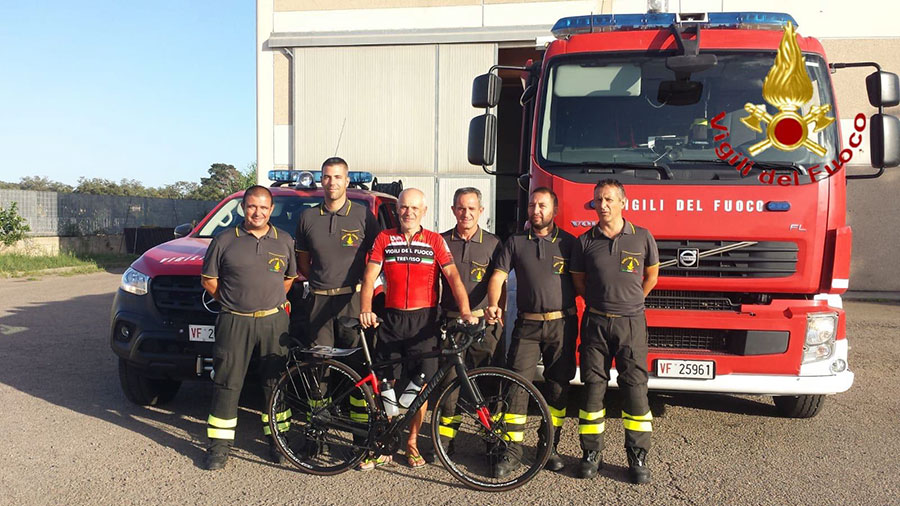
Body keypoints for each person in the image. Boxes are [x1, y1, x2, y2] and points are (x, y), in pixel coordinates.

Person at [359, 188, 477, 469]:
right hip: (391, 319)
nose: (408, 212)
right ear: (397, 210)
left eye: (414, 208)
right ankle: (387, 441)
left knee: (420, 385)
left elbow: (453, 277)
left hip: (424, 322)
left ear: (424, 211)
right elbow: (369, 276)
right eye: (403, 207)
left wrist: (466, 311)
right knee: (387, 384)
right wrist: (365, 308)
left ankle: (411, 441)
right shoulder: (384, 238)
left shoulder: (434, 241)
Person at [200, 185, 298, 471]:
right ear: (243, 207)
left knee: (275, 384)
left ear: (271, 209)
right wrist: (233, 302)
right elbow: (209, 281)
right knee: (227, 383)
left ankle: (279, 443)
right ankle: (218, 448)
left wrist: (268, 301)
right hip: (234, 320)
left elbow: (289, 279)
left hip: (273, 321)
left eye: (264, 207)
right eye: (252, 206)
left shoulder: (284, 240)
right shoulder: (224, 240)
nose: (258, 212)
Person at [486, 187, 579, 478]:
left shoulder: (570, 243)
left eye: (542, 205)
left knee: (558, 387)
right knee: (515, 385)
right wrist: (493, 304)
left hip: (562, 324)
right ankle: (512, 451)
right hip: (526, 326)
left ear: (554, 210)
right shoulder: (514, 242)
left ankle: (548, 446)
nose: (536, 210)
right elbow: (498, 277)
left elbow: (584, 283)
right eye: (532, 205)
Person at [570, 179, 659, 484]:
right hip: (596, 321)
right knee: (593, 388)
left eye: (609, 199)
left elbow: (651, 276)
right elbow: (579, 283)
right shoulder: (584, 241)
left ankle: (637, 457)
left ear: (624, 202)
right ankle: (591, 454)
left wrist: (631, 302)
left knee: (635, 389)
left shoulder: (643, 237)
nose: (603, 205)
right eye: (598, 200)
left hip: (631, 323)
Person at [294, 157, 380, 437]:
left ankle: (360, 435)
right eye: (327, 177)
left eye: (338, 177)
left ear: (347, 180)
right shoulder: (308, 217)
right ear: (321, 180)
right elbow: (304, 264)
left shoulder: (363, 215)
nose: (332, 182)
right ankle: (319, 434)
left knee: (356, 370)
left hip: (351, 302)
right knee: (320, 371)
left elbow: (376, 257)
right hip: (318, 300)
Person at [435, 187, 505, 452]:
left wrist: (498, 317)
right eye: (461, 208)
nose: (466, 213)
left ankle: (490, 440)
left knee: (488, 384)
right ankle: (445, 440)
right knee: (449, 385)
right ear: (453, 210)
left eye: (472, 208)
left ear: (481, 211)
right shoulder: (440, 241)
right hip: (451, 324)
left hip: (483, 325)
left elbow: (500, 284)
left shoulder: (494, 244)